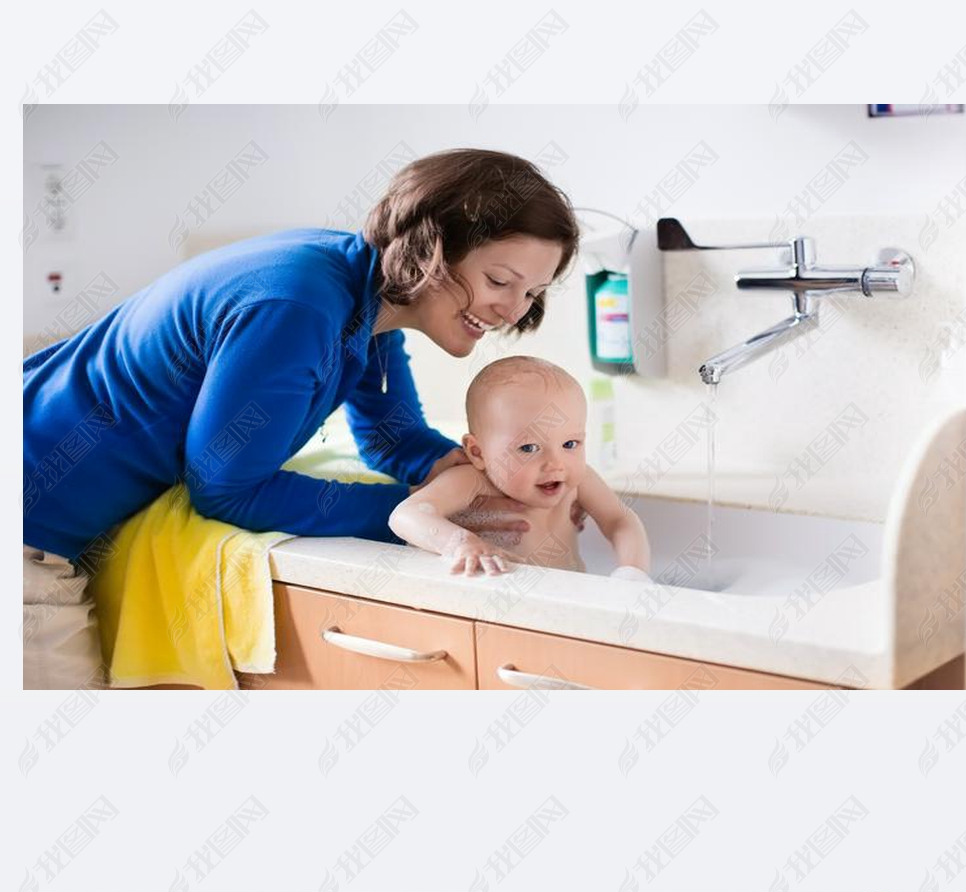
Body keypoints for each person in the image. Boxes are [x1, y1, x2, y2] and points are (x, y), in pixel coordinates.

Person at [22, 149, 580, 686]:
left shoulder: (364, 293)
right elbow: (226, 489)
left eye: (530, 292)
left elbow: (392, 435)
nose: (512, 311)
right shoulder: (300, 306)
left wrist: (480, 480)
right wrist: (428, 518)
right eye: (499, 281)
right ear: (428, 250)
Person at [388, 356, 652, 578]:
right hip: (499, 611)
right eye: (528, 448)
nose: (555, 463)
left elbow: (620, 520)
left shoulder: (579, 480)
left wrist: (632, 575)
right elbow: (405, 516)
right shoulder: (472, 481)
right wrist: (461, 542)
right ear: (477, 452)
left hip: (570, 603)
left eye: (570, 443)